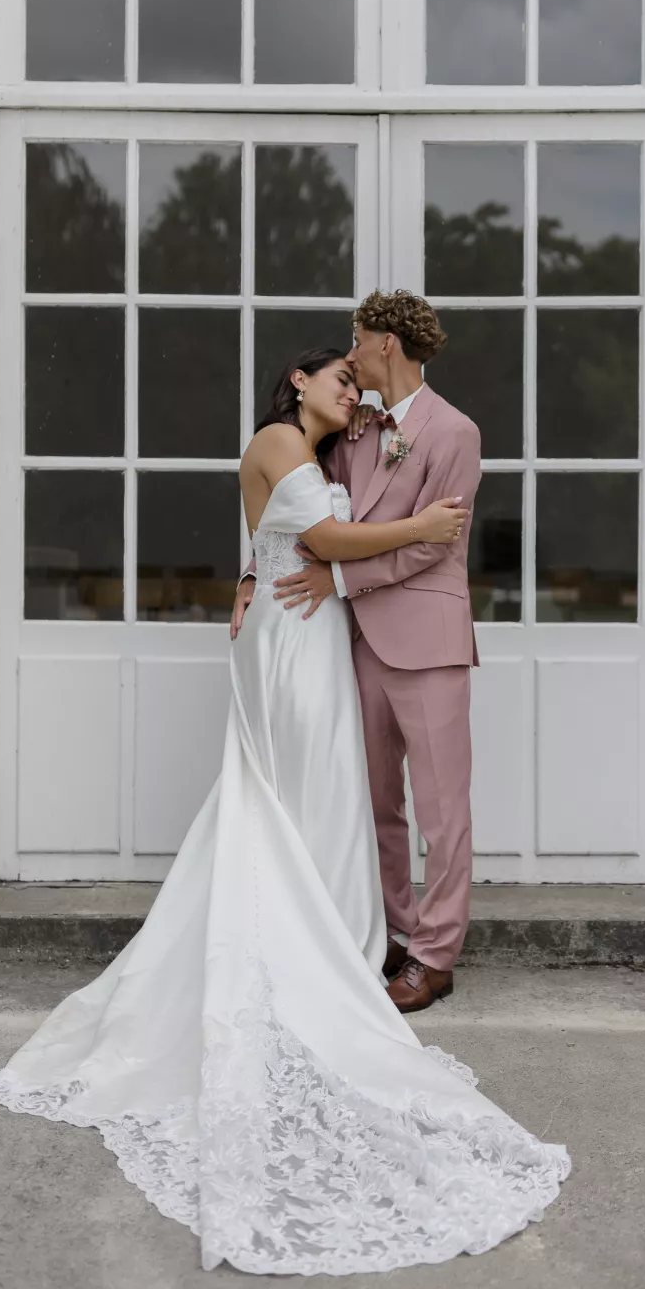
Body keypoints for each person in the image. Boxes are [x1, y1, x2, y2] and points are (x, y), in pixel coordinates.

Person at [0, 343, 569, 1277]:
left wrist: (257, 565)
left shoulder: (333, 448)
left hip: (309, 631)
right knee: (310, 793)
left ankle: (338, 940)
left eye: (359, 379)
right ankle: (317, 952)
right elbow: (324, 542)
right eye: (339, 377)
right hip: (295, 642)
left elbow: (279, 535)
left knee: (317, 796)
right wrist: (415, 522)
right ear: (298, 383)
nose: (354, 389)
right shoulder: (276, 441)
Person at [234, 290, 480, 1013]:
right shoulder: (353, 429)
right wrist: (253, 572)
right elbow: (286, 510)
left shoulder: (454, 432)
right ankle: (397, 930)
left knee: (442, 809)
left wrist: (338, 576)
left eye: (357, 339)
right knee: (374, 803)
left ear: (385, 347)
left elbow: (438, 550)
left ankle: (436, 956)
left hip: (428, 641)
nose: (351, 352)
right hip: (351, 644)